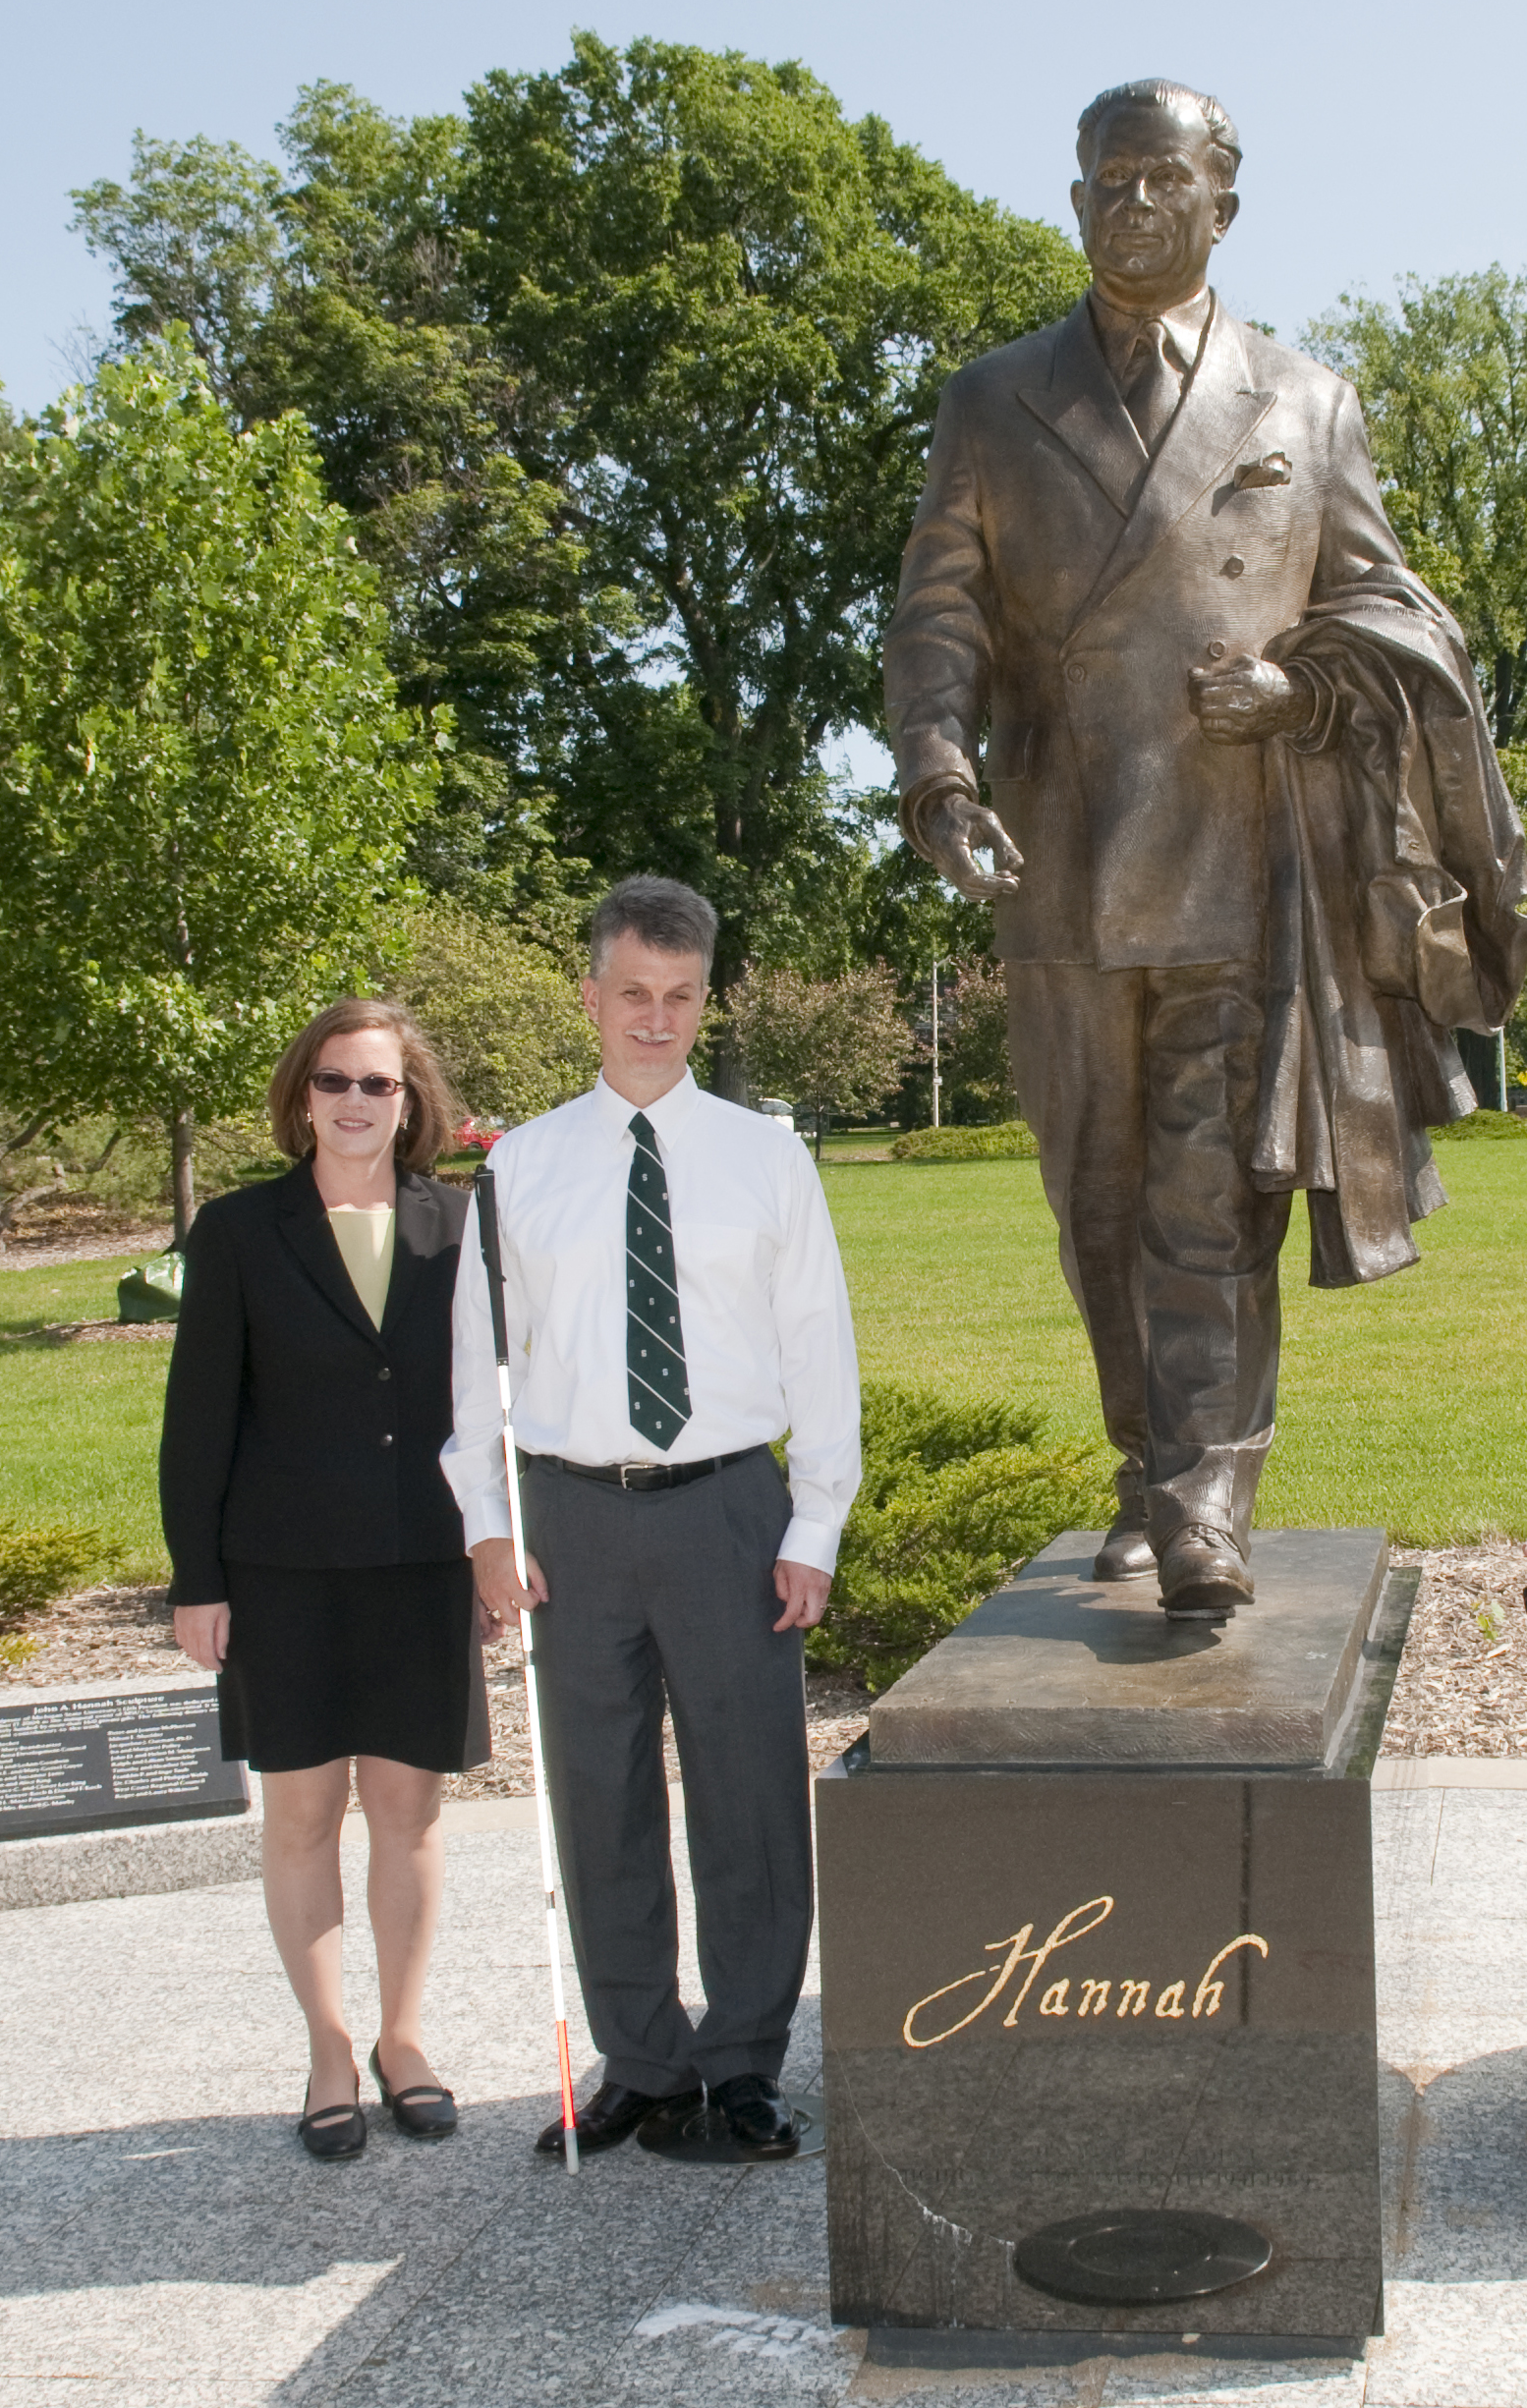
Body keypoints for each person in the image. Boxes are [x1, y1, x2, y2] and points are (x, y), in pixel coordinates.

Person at [886, 78, 1527, 1617]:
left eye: (1158, 178)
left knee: (1207, 1200)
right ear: (1073, 203)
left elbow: (1389, 609)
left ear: (1220, 206)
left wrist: (1300, 681)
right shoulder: (993, 400)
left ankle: (1205, 1498)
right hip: (1054, 854)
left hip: (1236, 862)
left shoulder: (1304, 401)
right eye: (1104, 180)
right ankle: (1146, 1468)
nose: (1128, 203)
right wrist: (936, 773)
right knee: (1097, 1205)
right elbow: (939, 611)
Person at [446, 875, 863, 2164]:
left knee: (745, 1794)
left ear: (702, 1002)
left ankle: (740, 2061)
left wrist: (815, 1525)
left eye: (679, 997)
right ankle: (640, 2059)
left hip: (729, 1510)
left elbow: (819, 1346)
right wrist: (486, 1525)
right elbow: (477, 1360)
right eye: (632, 993)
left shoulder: (764, 1157)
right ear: (590, 996)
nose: (655, 1018)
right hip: (570, 1515)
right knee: (598, 1794)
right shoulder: (518, 1170)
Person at [161, 1000, 488, 2161]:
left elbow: (495, 1404)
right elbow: (197, 1418)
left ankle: (405, 2039)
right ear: (304, 1095)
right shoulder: (242, 1231)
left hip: (419, 1565)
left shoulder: (460, 1227)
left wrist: (498, 1546)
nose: (357, 1103)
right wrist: (195, 1578)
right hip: (283, 1569)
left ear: (413, 1105)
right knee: (302, 1814)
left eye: (380, 1086)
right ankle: (329, 2048)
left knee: (407, 1812)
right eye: (337, 1082)